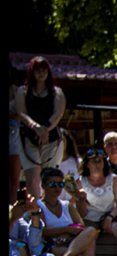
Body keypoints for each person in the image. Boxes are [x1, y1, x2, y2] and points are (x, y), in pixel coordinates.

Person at [14, 56, 66, 199]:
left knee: (49, 177)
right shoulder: (23, 91)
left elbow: (58, 113)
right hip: (28, 137)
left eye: (43, 69)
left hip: (51, 138)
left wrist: (45, 129)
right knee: (32, 179)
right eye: (37, 70)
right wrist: (36, 127)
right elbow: (21, 112)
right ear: (32, 72)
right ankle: (35, 212)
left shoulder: (57, 92)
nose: (41, 73)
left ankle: (49, 211)